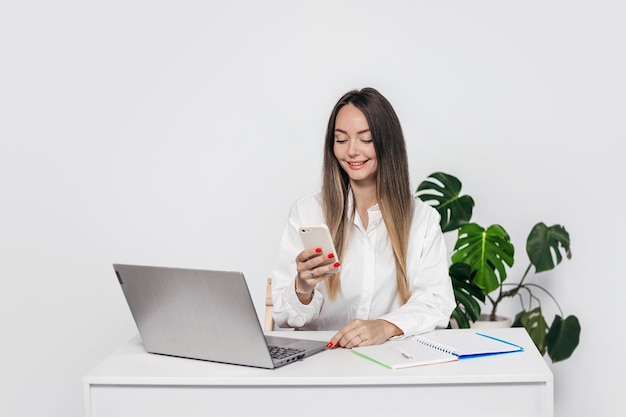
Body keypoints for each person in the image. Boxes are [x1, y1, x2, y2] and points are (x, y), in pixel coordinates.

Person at [270, 87, 455, 349]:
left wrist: (384, 326)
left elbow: (436, 301)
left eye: (366, 139)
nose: (352, 151)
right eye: (341, 140)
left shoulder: (422, 220)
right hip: (322, 364)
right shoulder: (308, 212)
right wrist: (303, 287)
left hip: (392, 364)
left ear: (387, 143)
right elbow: (285, 317)